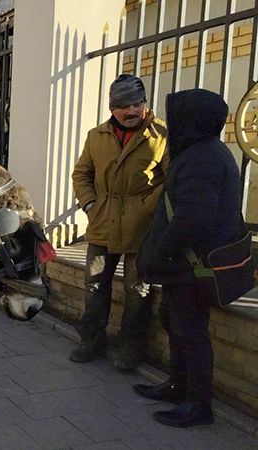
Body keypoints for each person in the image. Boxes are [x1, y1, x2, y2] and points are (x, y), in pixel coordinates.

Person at [135, 89, 243, 428]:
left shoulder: (203, 158)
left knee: (191, 333)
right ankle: (177, 386)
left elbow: (193, 219)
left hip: (190, 266)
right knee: (175, 321)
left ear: (190, 120)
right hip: (183, 266)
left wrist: (161, 250)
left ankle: (198, 405)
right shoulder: (201, 152)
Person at [70, 74, 169, 370]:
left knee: (137, 289)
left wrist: (144, 208)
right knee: (95, 284)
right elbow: (81, 174)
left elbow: (171, 178)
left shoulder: (162, 134)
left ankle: (130, 347)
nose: (132, 111)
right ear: (112, 108)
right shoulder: (96, 135)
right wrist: (90, 204)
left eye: (137, 103)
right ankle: (92, 340)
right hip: (102, 224)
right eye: (124, 105)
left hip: (142, 228)